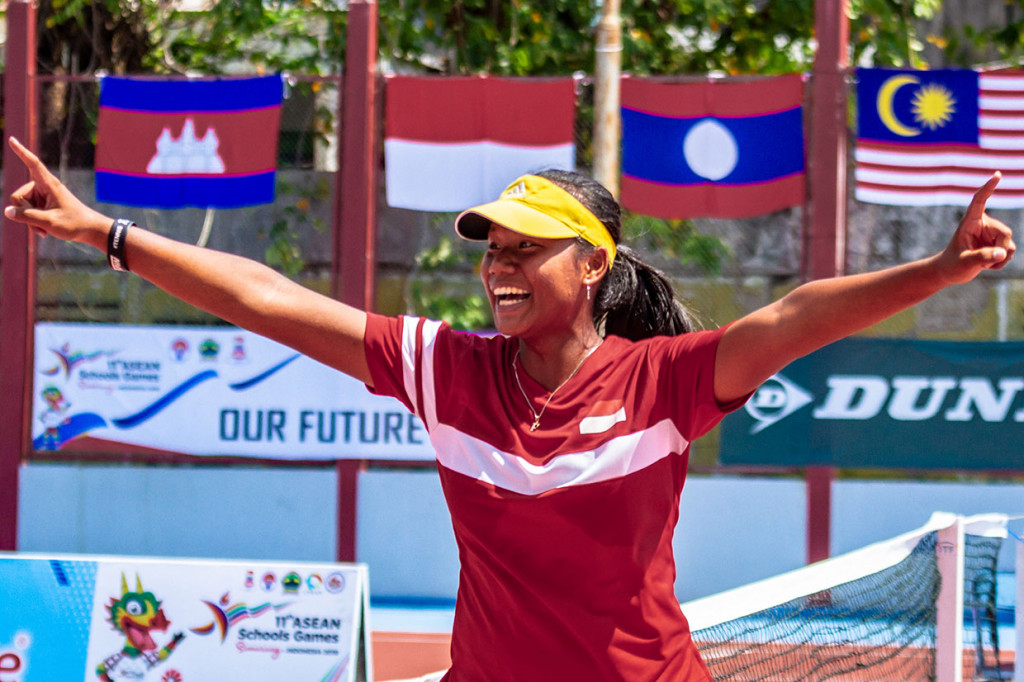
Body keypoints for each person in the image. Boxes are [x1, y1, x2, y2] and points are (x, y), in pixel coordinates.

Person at [4, 136, 1016, 681]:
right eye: (491, 247)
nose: (499, 265)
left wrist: (937, 267)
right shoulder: (445, 369)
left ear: (592, 264)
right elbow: (264, 297)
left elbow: (795, 315)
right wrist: (107, 231)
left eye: (524, 246)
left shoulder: (663, 380)